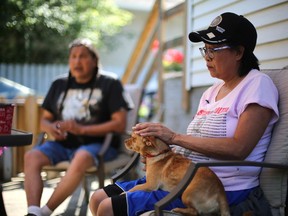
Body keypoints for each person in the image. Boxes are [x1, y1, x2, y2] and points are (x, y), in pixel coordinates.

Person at [89, 12, 279, 216]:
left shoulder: (257, 84)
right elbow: (196, 142)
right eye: (205, 49)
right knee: (97, 197)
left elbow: (239, 148)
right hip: (181, 176)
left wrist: (174, 137)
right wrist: (158, 154)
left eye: (214, 50)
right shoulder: (211, 92)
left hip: (216, 188)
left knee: (107, 208)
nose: (207, 57)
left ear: (239, 52)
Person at [24, 38, 131, 216]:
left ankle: (43, 212)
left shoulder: (109, 83)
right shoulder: (59, 84)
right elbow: (45, 120)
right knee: (31, 156)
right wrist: (52, 129)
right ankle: (32, 210)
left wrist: (83, 130)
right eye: (73, 57)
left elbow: (120, 124)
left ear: (94, 60)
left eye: (82, 56)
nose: (76, 61)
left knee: (81, 156)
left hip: (98, 145)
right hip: (62, 144)